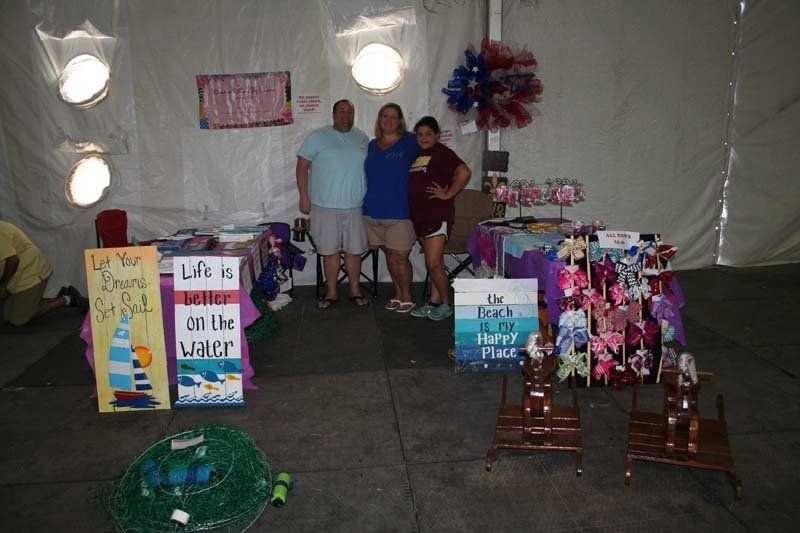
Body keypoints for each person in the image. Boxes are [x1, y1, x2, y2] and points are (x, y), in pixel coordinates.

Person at [296, 99, 370, 309]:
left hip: (355, 205)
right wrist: (304, 196)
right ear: (333, 114)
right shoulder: (318, 136)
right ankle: (332, 292)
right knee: (329, 251)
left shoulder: (362, 137)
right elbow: (302, 165)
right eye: (342, 111)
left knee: (354, 251)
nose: (346, 115)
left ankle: (355, 291)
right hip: (323, 205)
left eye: (350, 112)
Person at [407, 116, 471, 321]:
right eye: (420, 134)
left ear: (437, 135)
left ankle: (446, 303)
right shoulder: (418, 155)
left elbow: (464, 172)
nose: (423, 138)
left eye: (428, 134)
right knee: (432, 263)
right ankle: (433, 302)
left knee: (433, 263)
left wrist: (449, 193)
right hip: (420, 217)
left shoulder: (442, 153)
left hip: (437, 215)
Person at [363, 103, 419, 313]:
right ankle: (397, 293)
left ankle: (407, 296)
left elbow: (429, 162)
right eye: (384, 116)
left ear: (400, 121)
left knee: (399, 256)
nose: (388, 120)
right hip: (373, 211)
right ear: (379, 119)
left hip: (400, 211)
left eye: (393, 117)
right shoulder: (372, 145)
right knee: (390, 255)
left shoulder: (410, 141)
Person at [0, 220, 87, 326]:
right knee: (5, 316)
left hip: (31, 274)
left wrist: (3, 285)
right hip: (16, 278)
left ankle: (67, 299)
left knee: (17, 319)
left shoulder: (1, 230)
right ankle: (31, 303)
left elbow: (13, 261)